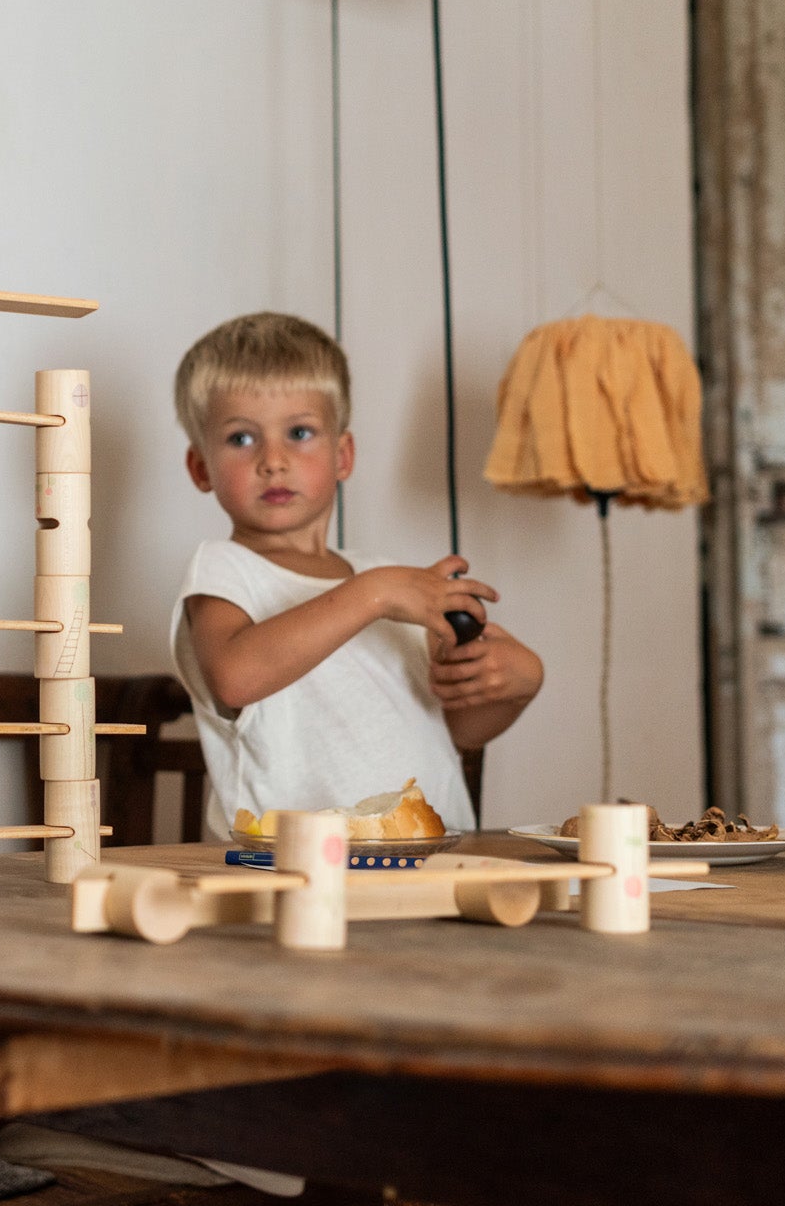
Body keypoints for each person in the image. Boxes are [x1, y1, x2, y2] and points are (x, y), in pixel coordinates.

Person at [169, 311, 542, 839]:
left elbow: (457, 727)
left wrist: (516, 687)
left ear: (342, 454)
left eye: (299, 432)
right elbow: (235, 677)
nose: (273, 460)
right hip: (285, 868)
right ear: (200, 468)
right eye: (241, 439)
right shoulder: (223, 570)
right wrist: (375, 594)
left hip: (425, 856)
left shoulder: (386, 582)